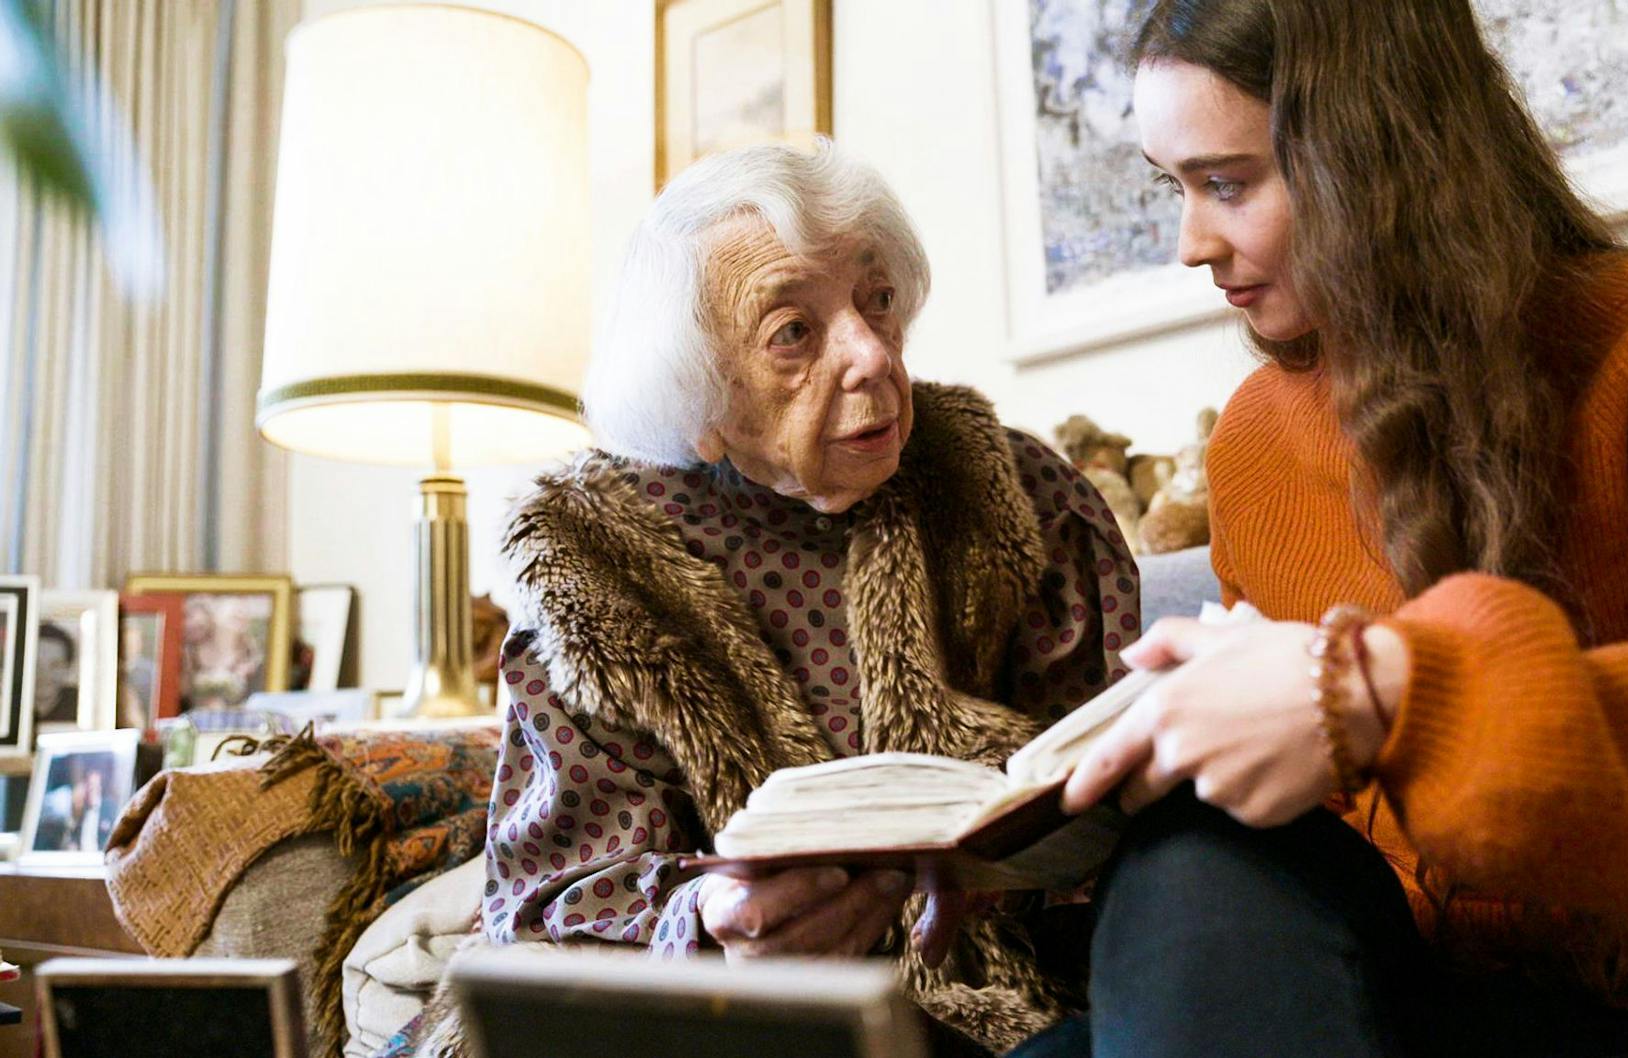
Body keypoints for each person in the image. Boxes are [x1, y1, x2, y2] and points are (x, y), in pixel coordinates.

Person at [1012, 2, 1628, 1056]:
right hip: (1416, 980)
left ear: (1372, 154)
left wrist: (1389, 691)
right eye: (1171, 185)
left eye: (1226, 183)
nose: (1189, 243)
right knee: (1164, 888)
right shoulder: (1249, 440)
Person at [466, 142, 1139, 1056]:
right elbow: (543, 906)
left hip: (1004, 1000)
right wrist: (708, 922)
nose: (869, 355)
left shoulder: (1013, 492)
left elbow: (1108, 800)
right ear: (698, 393)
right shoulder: (592, 567)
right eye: (794, 331)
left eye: (878, 301)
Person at [34, 621, 79, 724]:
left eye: (56, 666)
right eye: (36, 665)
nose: (44, 676)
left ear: (68, 669)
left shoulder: (83, 707)